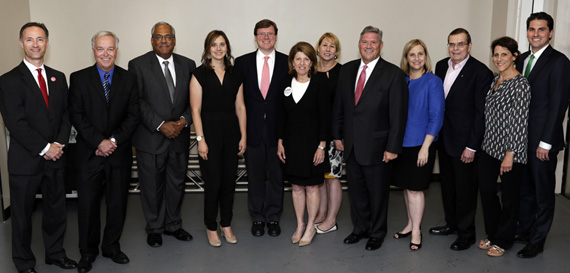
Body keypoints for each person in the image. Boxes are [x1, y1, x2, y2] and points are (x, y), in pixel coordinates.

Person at [0, 22, 76, 273]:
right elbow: (15, 122)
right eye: (30, 39)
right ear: (21, 43)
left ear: (47, 42)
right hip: (26, 161)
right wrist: (45, 147)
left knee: (56, 211)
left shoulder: (58, 77)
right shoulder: (8, 81)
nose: (35, 44)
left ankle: (55, 254)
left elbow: (66, 114)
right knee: (22, 217)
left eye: (40, 39)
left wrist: (60, 144)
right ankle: (24, 263)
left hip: (56, 159)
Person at [68, 31, 140, 272]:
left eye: (110, 49)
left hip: (118, 154)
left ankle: (111, 247)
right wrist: (99, 141)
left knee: (117, 203)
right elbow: (76, 115)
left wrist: (113, 140)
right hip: (89, 154)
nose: (106, 53)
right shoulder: (78, 78)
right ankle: (87, 253)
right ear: (93, 51)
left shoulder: (129, 79)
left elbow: (133, 115)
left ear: (116, 51)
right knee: (87, 206)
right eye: (101, 49)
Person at [332, 26, 408, 251]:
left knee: (378, 194)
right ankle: (360, 229)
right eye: (365, 42)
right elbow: (340, 106)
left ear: (381, 46)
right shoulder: (346, 70)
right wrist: (337, 135)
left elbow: (398, 114)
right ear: (358, 44)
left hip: (378, 146)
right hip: (351, 145)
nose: (368, 46)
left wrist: (393, 147)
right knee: (356, 192)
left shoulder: (393, 74)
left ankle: (377, 232)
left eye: (373, 42)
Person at [128, 22, 196, 247]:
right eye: (159, 37)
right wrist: (160, 125)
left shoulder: (188, 64)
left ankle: (174, 224)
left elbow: (194, 100)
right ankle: (155, 227)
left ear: (174, 40)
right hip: (151, 137)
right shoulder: (137, 65)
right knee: (151, 185)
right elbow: (137, 101)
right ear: (152, 40)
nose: (164, 41)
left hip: (179, 136)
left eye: (168, 37)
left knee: (176, 183)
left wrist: (183, 121)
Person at [429, 28, 493, 251]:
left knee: (465, 189)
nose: (455, 48)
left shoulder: (480, 72)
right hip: (443, 138)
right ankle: (452, 224)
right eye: (452, 44)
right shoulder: (439, 66)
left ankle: (467, 234)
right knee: (448, 186)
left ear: (469, 45)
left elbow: (480, 113)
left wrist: (472, 146)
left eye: (460, 44)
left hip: (465, 142)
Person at [515, 12, 570, 259]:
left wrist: (546, 142)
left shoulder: (559, 61)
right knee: (525, 190)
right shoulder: (522, 59)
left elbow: (558, 104)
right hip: (521, 140)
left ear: (550, 33)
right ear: (527, 32)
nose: (535, 34)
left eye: (541, 29)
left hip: (542, 142)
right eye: (532, 29)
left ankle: (537, 242)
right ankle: (524, 231)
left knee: (543, 194)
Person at [190, 30, 246, 247]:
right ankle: (211, 226)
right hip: (209, 134)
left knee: (229, 183)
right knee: (213, 183)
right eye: (214, 44)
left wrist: (244, 135)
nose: (219, 48)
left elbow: (240, 107)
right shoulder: (199, 74)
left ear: (227, 48)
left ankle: (226, 224)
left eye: (222, 44)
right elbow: (195, 110)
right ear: (207, 49)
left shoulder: (236, 74)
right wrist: (200, 139)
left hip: (232, 133)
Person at [477, 36, 530, 257]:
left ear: (514, 56)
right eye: (496, 54)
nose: (499, 58)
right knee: (487, 192)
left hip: (511, 150)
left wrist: (510, 154)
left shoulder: (521, 84)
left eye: (504, 54)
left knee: (509, 197)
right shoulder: (494, 81)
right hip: (489, 147)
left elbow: (519, 122)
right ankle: (494, 233)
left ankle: (504, 240)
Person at [235, 19, 289, 237]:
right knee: (255, 176)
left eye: (270, 34)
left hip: (279, 131)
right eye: (261, 34)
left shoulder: (288, 62)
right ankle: (257, 218)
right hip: (252, 129)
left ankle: (274, 217)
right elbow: (238, 100)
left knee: (276, 176)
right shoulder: (242, 63)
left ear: (276, 36)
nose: (266, 37)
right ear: (255, 37)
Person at [392, 39, 444, 251]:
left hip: (422, 144)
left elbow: (437, 116)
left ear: (426, 56)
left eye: (420, 54)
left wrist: (425, 147)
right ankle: (409, 224)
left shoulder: (433, 81)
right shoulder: (401, 81)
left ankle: (416, 231)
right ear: (406, 58)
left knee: (415, 190)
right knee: (406, 187)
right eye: (411, 54)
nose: (416, 58)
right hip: (401, 144)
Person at [277, 42, 330, 247]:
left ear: (312, 62)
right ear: (292, 61)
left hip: (313, 144)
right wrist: (280, 141)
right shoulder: (285, 82)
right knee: (297, 187)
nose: (302, 63)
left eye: (306, 59)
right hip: (291, 143)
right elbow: (281, 115)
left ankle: (310, 227)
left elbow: (325, 116)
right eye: (298, 58)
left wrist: (322, 146)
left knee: (311, 187)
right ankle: (299, 225)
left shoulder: (320, 83)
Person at [314, 32, 343, 234]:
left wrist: (340, 136)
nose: (327, 49)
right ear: (318, 48)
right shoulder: (310, 70)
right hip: (314, 134)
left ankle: (332, 219)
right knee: (320, 176)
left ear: (337, 51)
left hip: (334, 135)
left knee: (332, 177)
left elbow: (345, 107)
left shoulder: (343, 72)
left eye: (332, 46)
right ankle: (322, 212)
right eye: (324, 45)